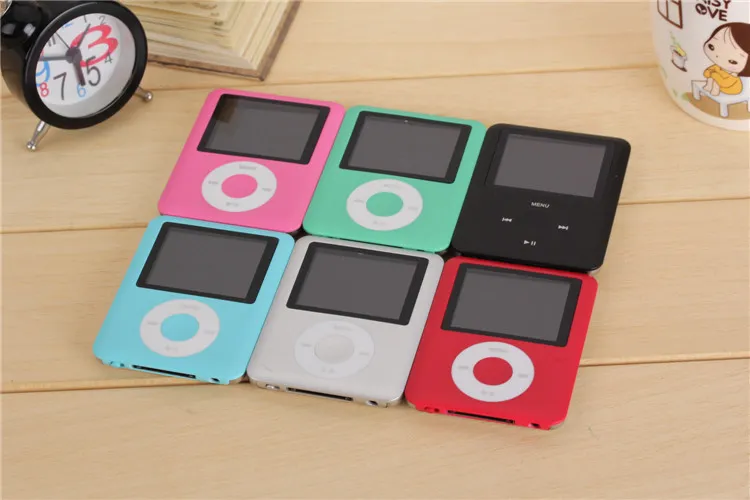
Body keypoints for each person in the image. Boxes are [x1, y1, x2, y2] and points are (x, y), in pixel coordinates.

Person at [701, 22, 750, 96]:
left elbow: (725, 83)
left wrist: (714, 75)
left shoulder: (733, 75)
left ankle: (714, 92)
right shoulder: (717, 67)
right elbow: (707, 72)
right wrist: (710, 74)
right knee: (712, 78)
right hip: (719, 83)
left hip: (730, 89)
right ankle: (708, 87)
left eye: (732, 61)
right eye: (711, 47)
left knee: (716, 80)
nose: (717, 56)